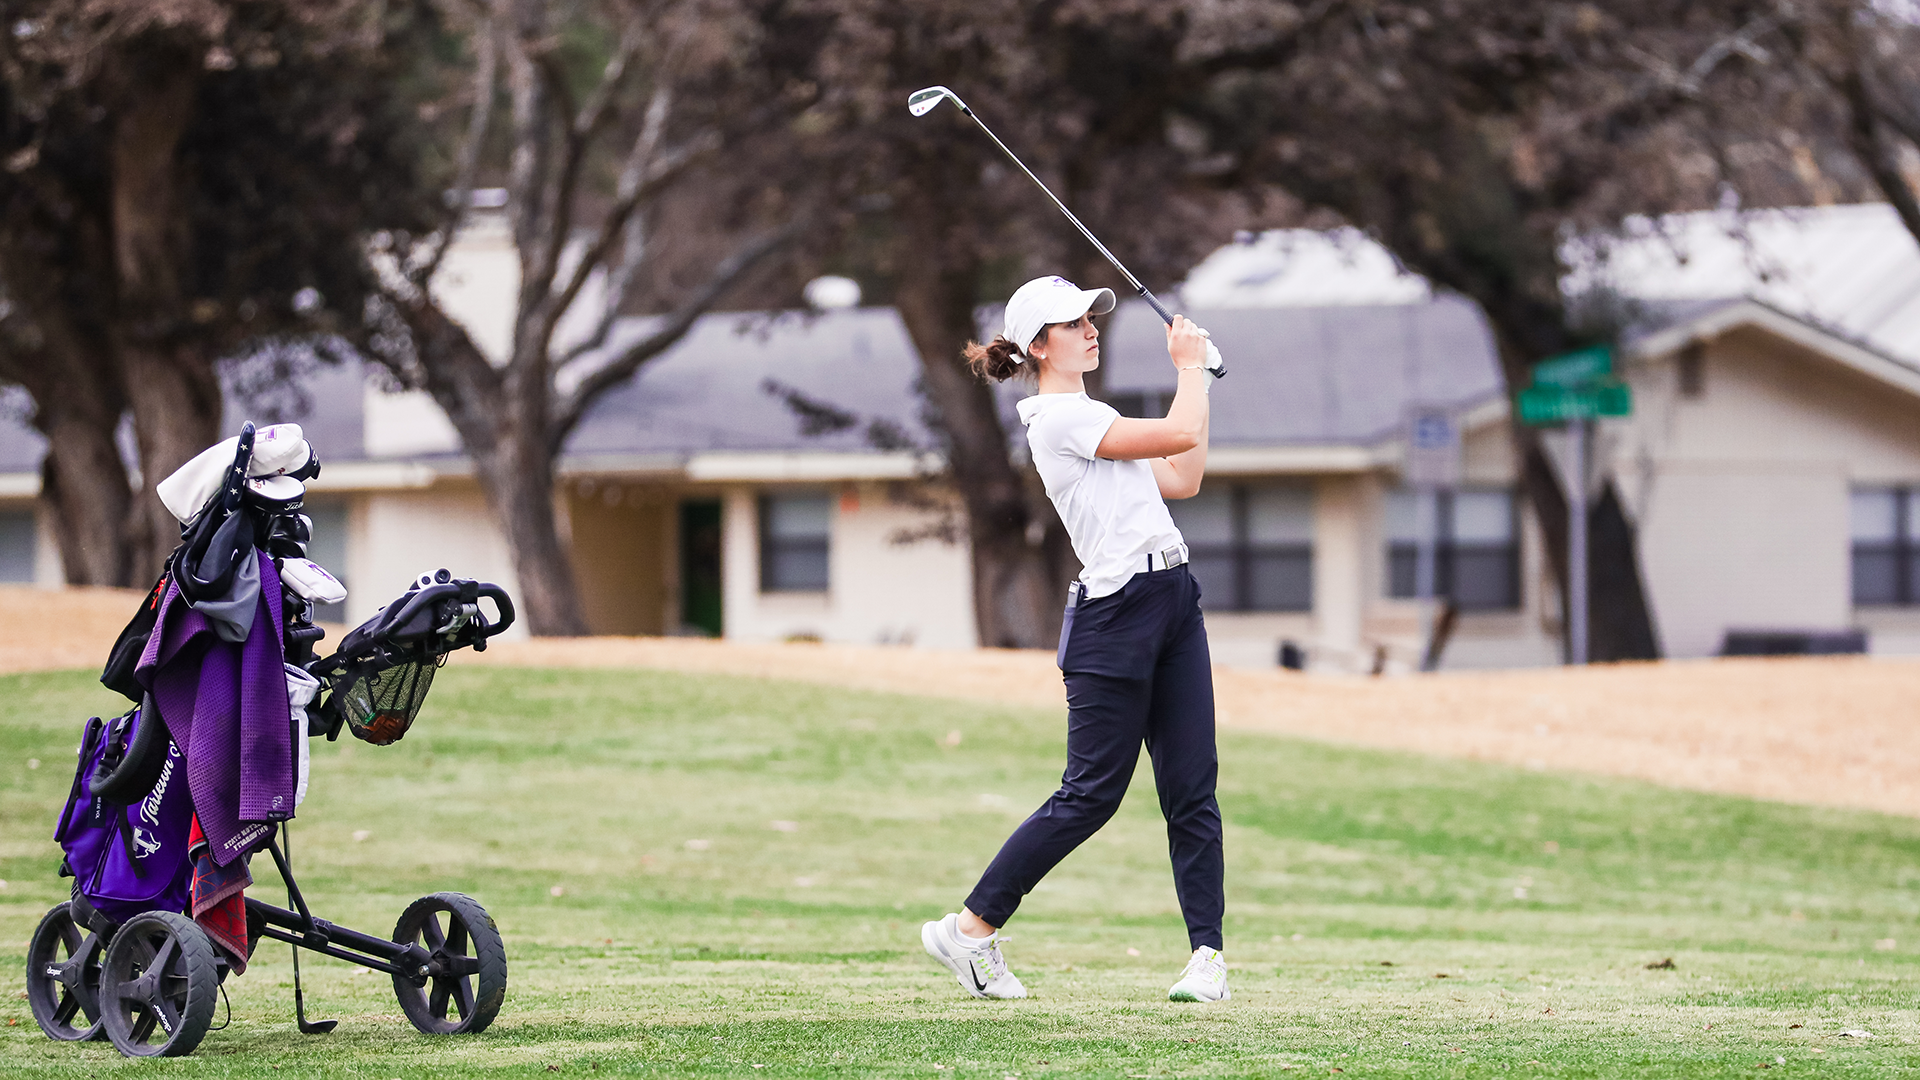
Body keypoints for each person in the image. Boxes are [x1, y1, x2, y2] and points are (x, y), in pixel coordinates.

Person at [921, 274, 1227, 1003]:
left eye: (1091, 317)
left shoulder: (1095, 414)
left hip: (1173, 597)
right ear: (1037, 346)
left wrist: (1202, 381)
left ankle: (1207, 957)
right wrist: (1189, 370)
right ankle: (969, 931)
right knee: (1090, 795)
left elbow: (1183, 475)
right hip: (1116, 617)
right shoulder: (1057, 419)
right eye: (1071, 322)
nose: (1090, 328)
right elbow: (1178, 433)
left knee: (1192, 788)